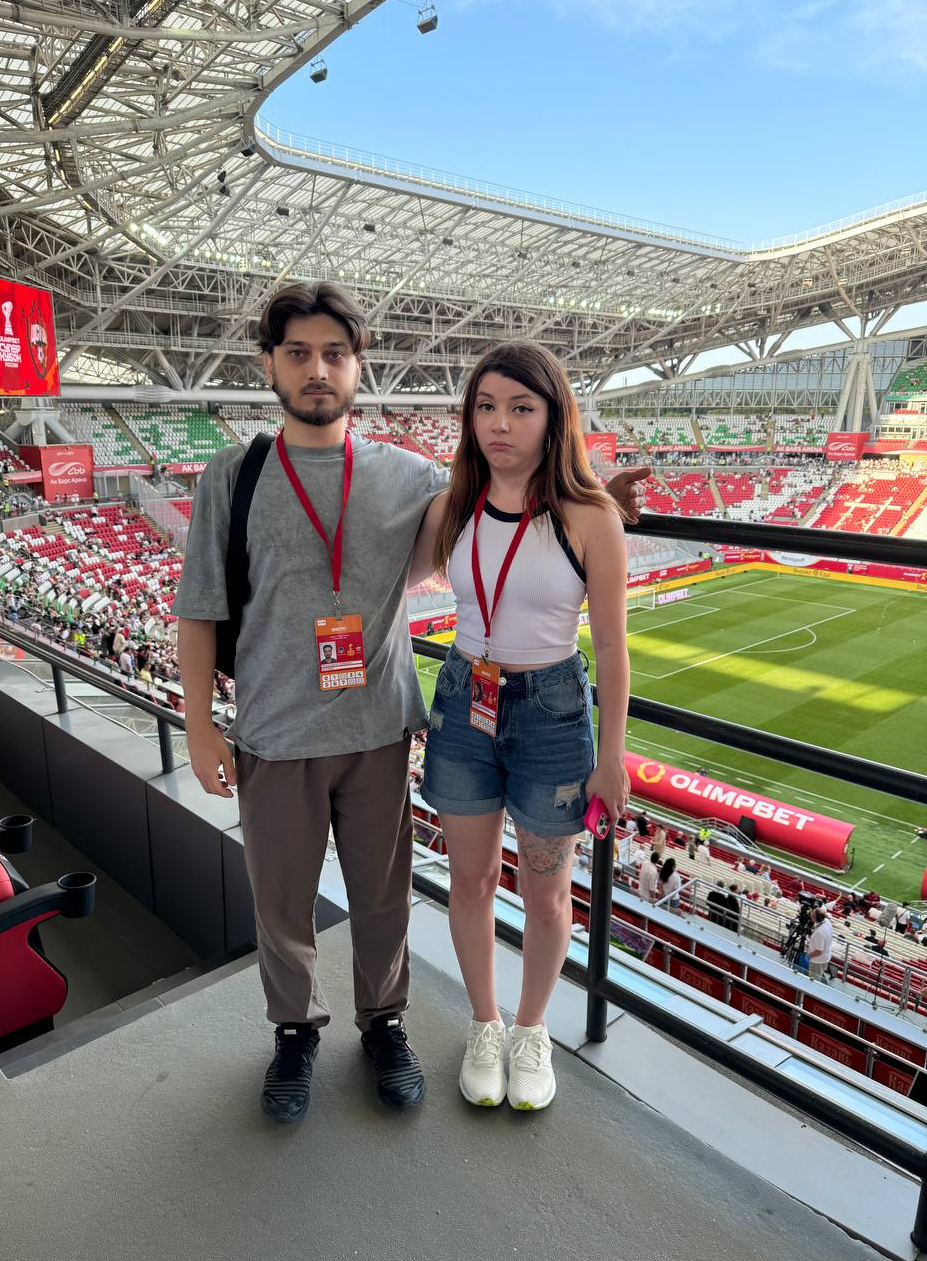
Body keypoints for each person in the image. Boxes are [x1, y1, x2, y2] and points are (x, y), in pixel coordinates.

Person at [176, 282, 648, 1124]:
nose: (317, 370)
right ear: (269, 364)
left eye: (334, 354)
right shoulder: (232, 475)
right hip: (274, 729)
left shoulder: (412, 476)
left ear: (358, 367)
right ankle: (295, 1031)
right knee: (280, 903)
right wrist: (200, 725)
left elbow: (515, 499)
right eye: (297, 353)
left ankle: (385, 1023)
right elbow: (199, 608)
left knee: (385, 895)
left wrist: (598, 502)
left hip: (381, 725)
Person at [413, 338, 633, 1111]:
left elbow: (613, 647)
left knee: (546, 893)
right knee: (470, 880)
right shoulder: (452, 507)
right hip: (463, 699)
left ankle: (532, 1029)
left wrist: (613, 755)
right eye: (485, 406)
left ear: (553, 417)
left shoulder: (591, 517)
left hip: (553, 712)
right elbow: (388, 574)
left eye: (520, 407)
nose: (499, 424)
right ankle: (485, 1022)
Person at [807, 907, 833, 982]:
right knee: (820, 974)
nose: (810, 916)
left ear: (816, 918)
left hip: (817, 960)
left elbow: (819, 951)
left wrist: (809, 955)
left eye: (812, 916)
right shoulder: (827, 921)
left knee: (814, 979)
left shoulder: (819, 932)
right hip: (826, 955)